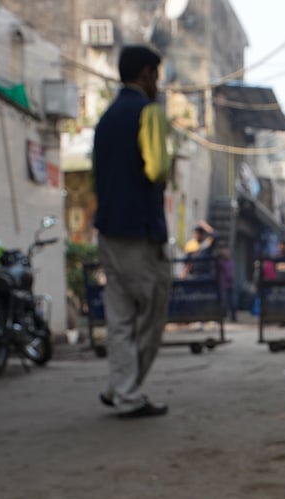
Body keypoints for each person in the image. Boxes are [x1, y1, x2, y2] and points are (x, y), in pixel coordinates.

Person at [92, 45, 172, 419]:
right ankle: (125, 392)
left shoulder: (106, 119)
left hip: (108, 230)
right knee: (151, 314)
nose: (157, 83)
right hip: (140, 231)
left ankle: (119, 388)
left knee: (120, 317)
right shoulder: (149, 113)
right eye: (155, 75)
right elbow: (156, 169)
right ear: (144, 74)